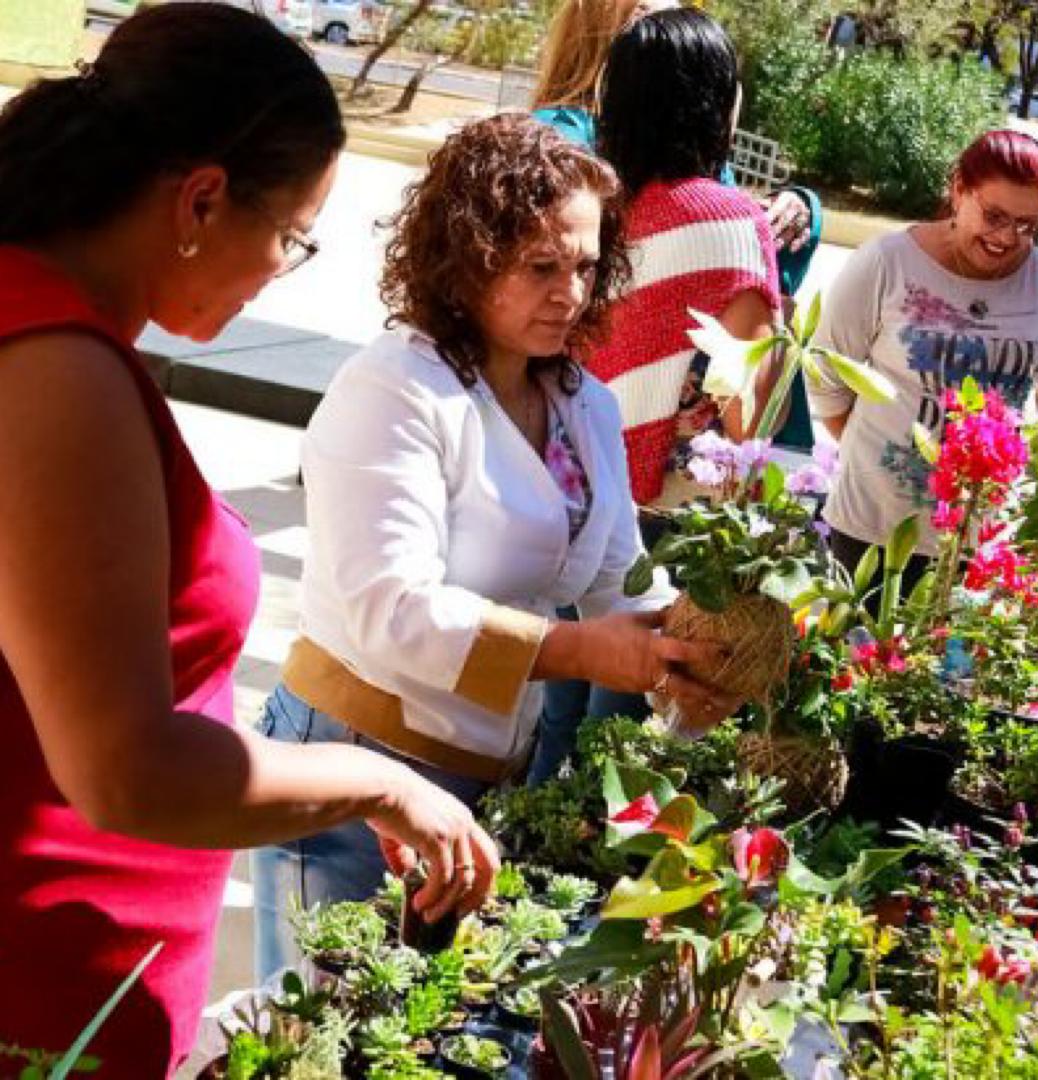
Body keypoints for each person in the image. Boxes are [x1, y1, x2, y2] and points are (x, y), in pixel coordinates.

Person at [0, 7, 499, 1076]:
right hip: (40, 987)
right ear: (202, 198)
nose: (283, 268)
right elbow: (124, 769)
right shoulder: (54, 367)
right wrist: (379, 783)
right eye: (291, 235)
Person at [251, 113, 732, 980]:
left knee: (415, 1037)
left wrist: (692, 644)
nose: (570, 292)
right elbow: (391, 610)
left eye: (586, 266)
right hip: (353, 774)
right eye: (541, 266)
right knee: (316, 1039)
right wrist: (585, 651)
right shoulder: (396, 389)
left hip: (481, 781)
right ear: (466, 259)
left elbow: (620, 574)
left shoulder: (582, 401)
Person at [527, 8, 785, 784]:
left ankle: (520, 883)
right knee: (624, 737)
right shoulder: (734, 222)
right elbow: (741, 404)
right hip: (670, 520)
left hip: (564, 492)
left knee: (556, 718)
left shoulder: (589, 208)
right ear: (717, 101)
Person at [811, 129, 1038, 583]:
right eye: (994, 216)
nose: (1007, 238)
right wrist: (884, 460)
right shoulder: (887, 263)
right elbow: (826, 375)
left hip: (984, 545)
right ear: (958, 189)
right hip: (875, 531)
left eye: (1028, 225)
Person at [530, 0, 822, 306]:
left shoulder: (670, 140)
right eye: (646, 16)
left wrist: (797, 207)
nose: (672, 32)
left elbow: (727, 228)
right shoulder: (557, 136)